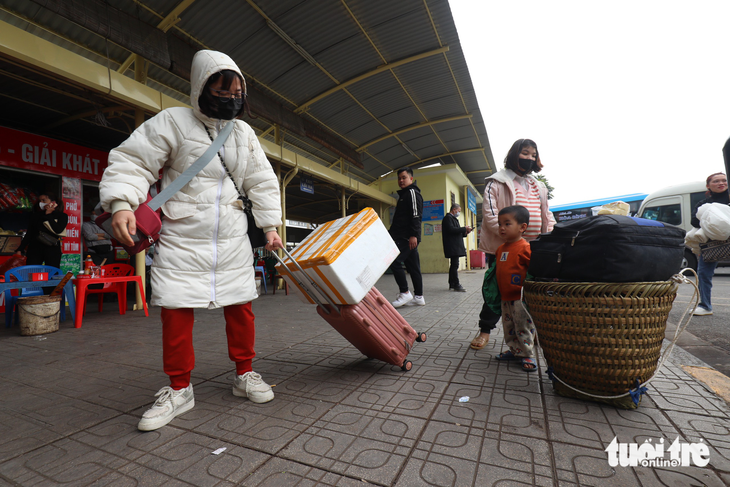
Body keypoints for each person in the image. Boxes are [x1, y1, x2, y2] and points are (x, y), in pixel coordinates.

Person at [100, 50, 284, 432]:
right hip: (182, 235)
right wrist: (121, 203)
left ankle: (244, 374)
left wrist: (270, 227)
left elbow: (261, 181)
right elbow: (133, 160)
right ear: (202, 85)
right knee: (176, 311)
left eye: (237, 90)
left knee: (241, 307)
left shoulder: (244, 133)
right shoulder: (172, 122)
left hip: (232, 237)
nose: (231, 97)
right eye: (222, 88)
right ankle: (180, 388)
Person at [470, 139, 555, 350]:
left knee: (531, 293)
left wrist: (552, 236)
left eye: (533, 155)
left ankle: (530, 332)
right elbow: (490, 216)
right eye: (525, 153)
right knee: (497, 290)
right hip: (504, 250)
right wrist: (511, 240)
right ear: (515, 153)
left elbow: (547, 214)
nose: (529, 158)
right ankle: (484, 331)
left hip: (534, 247)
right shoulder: (496, 182)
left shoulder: (539, 186)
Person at [493, 205, 536, 371]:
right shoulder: (500, 249)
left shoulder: (525, 248)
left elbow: (533, 271)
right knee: (509, 327)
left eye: (507, 224)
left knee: (523, 326)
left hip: (520, 298)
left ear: (522, 227)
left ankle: (527, 354)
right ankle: (515, 350)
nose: (502, 228)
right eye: (499, 224)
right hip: (505, 298)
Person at [690, 172, 729, 316]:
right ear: (708, 186)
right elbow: (694, 221)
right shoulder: (704, 203)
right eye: (716, 181)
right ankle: (705, 306)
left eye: (724, 180)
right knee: (703, 273)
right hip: (712, 243)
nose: (721, 183)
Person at [389, 167, 425, 308]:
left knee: (395, 261)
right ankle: (419, 297)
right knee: (413, 267)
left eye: (404, 177)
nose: (401, 180)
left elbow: (416, 215)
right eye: (399, 178)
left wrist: (413, 235)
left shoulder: (412, 193)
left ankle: (405, 292)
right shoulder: (404, 195)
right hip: (404, 236)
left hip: (407, 237)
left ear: (411, 178)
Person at [15, 193, 68, 270]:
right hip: (35, 248)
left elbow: (58, 230)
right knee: (32, 272)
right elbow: (29, 233)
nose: (41, 203)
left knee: (53, 273)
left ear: (53, 202)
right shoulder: (35, 215)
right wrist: (20, 249)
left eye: (44, 200)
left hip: (52, 248)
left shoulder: (62, 216)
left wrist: (49, 215)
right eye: (40, 201)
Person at [441, 203, 472, 292]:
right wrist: (463, 228)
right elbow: (451, 230)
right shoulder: (448, 218)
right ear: (454, 209)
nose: (458, 213)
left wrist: (465, 232)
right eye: (458, 211)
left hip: (455, 245)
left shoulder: (453, 219)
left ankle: (452, 283)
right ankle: (456, 284)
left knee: (454, 265)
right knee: (455, 265)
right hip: (452, 246)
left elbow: (457, 232)